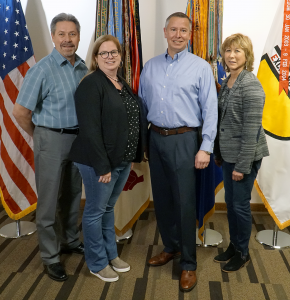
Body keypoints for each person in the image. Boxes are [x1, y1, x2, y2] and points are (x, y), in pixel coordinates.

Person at [138, 12, 217, 292]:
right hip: (156, 138)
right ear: (165, 31)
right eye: (173, 29)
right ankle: (170, 247)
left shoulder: (200, 68)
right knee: (162, 199)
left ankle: (188, 264)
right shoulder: (150, 66)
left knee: (184, 203)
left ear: (190, 34)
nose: (178, 35)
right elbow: (142, 105)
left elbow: (210, 110)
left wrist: (205, 147)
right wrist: (143, 143)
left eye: (184, 30)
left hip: (186, 140)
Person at [13, 13, 87, 281]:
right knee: (47, 202)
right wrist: (40, 135)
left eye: (72, 34)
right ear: (53, 36)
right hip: (50, 139)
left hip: (78, 140)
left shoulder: (82, 67)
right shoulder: (42, 69)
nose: (67, 40)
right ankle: (50, 257)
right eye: (62, 34)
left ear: (78, 37)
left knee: (71, 195)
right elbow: (20, 111)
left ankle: (69, 240)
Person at [69, 34, 146, 283]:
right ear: (96, 58)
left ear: (121, 57)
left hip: (122, 159)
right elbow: (90, 130)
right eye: (104, 53)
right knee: (94, 212)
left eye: (114, 52)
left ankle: (111, 255)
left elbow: (128, 121)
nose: (110, 56)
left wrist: (132, 154)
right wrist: (102, 166)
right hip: (97, 162)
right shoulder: (91, 84)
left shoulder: (120, 82)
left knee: (107, 209)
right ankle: (97, 262)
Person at [213, 33, 269, 272]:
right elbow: (222, 120)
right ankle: (234, 245)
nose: (232, 55)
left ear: (247, 56)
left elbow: (250, 131)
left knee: (241, 205)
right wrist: (218, 152)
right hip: (228, 155)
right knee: (231, 202)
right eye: (228, 51)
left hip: (244, 157)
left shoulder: (251, 85)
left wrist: (242, 166)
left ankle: (243, 253)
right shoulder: (228, 81)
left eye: (237, 51)